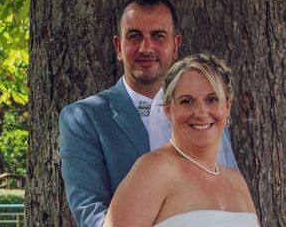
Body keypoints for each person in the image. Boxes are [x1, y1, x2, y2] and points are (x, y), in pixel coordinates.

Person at [59, 0, 238, 227]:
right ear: (118, 47)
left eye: (158, 36)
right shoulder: (83, 119)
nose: (146, 48)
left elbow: (229, 194)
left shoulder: (205, 115)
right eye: (134, 36)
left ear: (175, 46)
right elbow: (91, 213)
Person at [103, 53, 258, 227]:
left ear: (227, 106)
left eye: (212, 100)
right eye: (187, 101)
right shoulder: (153, 170)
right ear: (169, 110)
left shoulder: (236, 182)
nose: (200, 113)